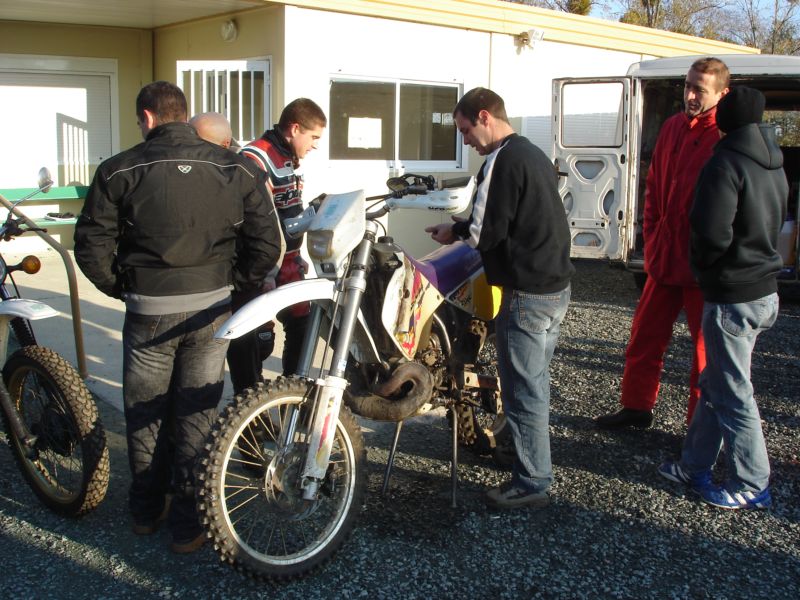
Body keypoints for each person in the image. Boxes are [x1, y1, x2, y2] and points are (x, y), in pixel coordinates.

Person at [74, 81, 282, 553]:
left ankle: (146, 512)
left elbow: (90, 245)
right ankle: (188, 527)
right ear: (182, 115)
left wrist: (123, 287)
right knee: (197, 413)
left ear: (148, 118)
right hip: (211, 309)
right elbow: (267, 244)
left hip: (149, 308)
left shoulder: (118, 169)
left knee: (145, 413)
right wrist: (233, 284)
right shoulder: (236, 167)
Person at [426, 87, 573, 509]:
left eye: (465, 130)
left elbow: (482, 233)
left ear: (485, 117)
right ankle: (529, 460)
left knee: (523, 391)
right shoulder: (533, 154)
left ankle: (532, 482)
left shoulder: (500, 160)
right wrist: (463, 226)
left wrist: (453, 231)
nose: (466, 141)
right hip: (555, 289)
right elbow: (510, 218)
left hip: (526, 294)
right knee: (534, 384)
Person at [659, 87, 787, 509]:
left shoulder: (725, 162)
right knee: (715, 382)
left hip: (732, 294)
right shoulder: (773, 163)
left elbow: (710, 231)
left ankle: (752, 482)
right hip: (763, 290)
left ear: (726, 120)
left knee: (732, 391)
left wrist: (705, 269)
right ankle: (693, 464)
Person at [596, 57, 730, 430]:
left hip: (701, 266)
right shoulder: (673, 127)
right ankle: (636, 407)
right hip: (664, 257)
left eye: (699, 89)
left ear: (722, 94)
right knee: (644, 337)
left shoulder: (725, 136)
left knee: (704, 353)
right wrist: (653, 236)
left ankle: (699, 430)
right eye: (687, 86)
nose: (690, 95)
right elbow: (653, 185)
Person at [229, 98, 326, 391]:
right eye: (314, 137)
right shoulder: (255, 158)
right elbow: (259, 222)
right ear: (295, 129)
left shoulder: (288, 157)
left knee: (303, 327)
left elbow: (289, 210)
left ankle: (292, 394)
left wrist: (297, 253)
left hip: (288, 262)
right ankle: (249, 403)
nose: (316, 145)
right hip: (262, 264)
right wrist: (268, 271)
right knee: (255, 338)